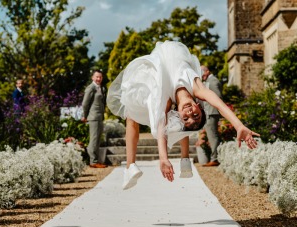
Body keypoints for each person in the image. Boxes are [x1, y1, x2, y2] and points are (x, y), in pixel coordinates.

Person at [107, 41, 259, 190]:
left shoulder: (166, 102)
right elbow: (219, 104)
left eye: (186, 117)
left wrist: (163, 158)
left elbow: (161, 129)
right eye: (196, 115)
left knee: (132, 113)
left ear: (177, 113)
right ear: (199, 106)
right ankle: (184, 159)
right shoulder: (197, 88)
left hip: (155, 76)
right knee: (176, 124)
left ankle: (130, 166)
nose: (190, 113)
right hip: (174, 54)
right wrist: (239, 125)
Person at [81, 70, 108, 168]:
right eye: (97, 77)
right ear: (92, 77)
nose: (98, 79)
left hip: (99, 117)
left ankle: (96, 160)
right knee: (94, 139)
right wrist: (85, 115)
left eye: (100, 77)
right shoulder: (90, 88)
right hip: (93, 117)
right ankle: (93, 161)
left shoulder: (101, 88)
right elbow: (85, 104)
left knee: (97, 140)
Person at [199, 65, 223, 167]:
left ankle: (215, 159)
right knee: (211, 136)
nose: (201, 76)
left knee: (213, 136)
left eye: (202, 73)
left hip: (212, 112)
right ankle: (214, 158)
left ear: (207, 71)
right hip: (209, 112)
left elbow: (217, 97)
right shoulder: (209, 81)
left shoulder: (212, 81)